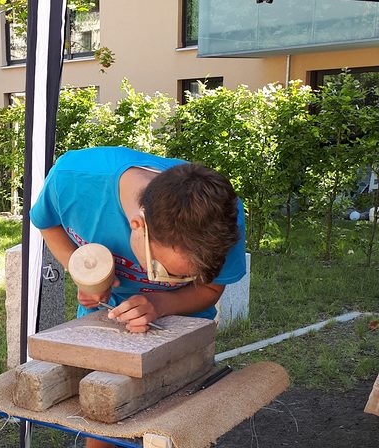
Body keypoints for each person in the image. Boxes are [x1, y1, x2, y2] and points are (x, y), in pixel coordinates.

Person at [31, 146, 245, 448]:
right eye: (163, 269)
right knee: (105, 422)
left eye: (184, 277)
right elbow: (46, 222)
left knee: (177, 433)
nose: (165, 282)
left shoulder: (224, 217)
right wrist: (84, 270)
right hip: (107, 324)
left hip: (180, 328)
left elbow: (211, 289)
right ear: (138, 225)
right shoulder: (72, 180)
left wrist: (160, 303)